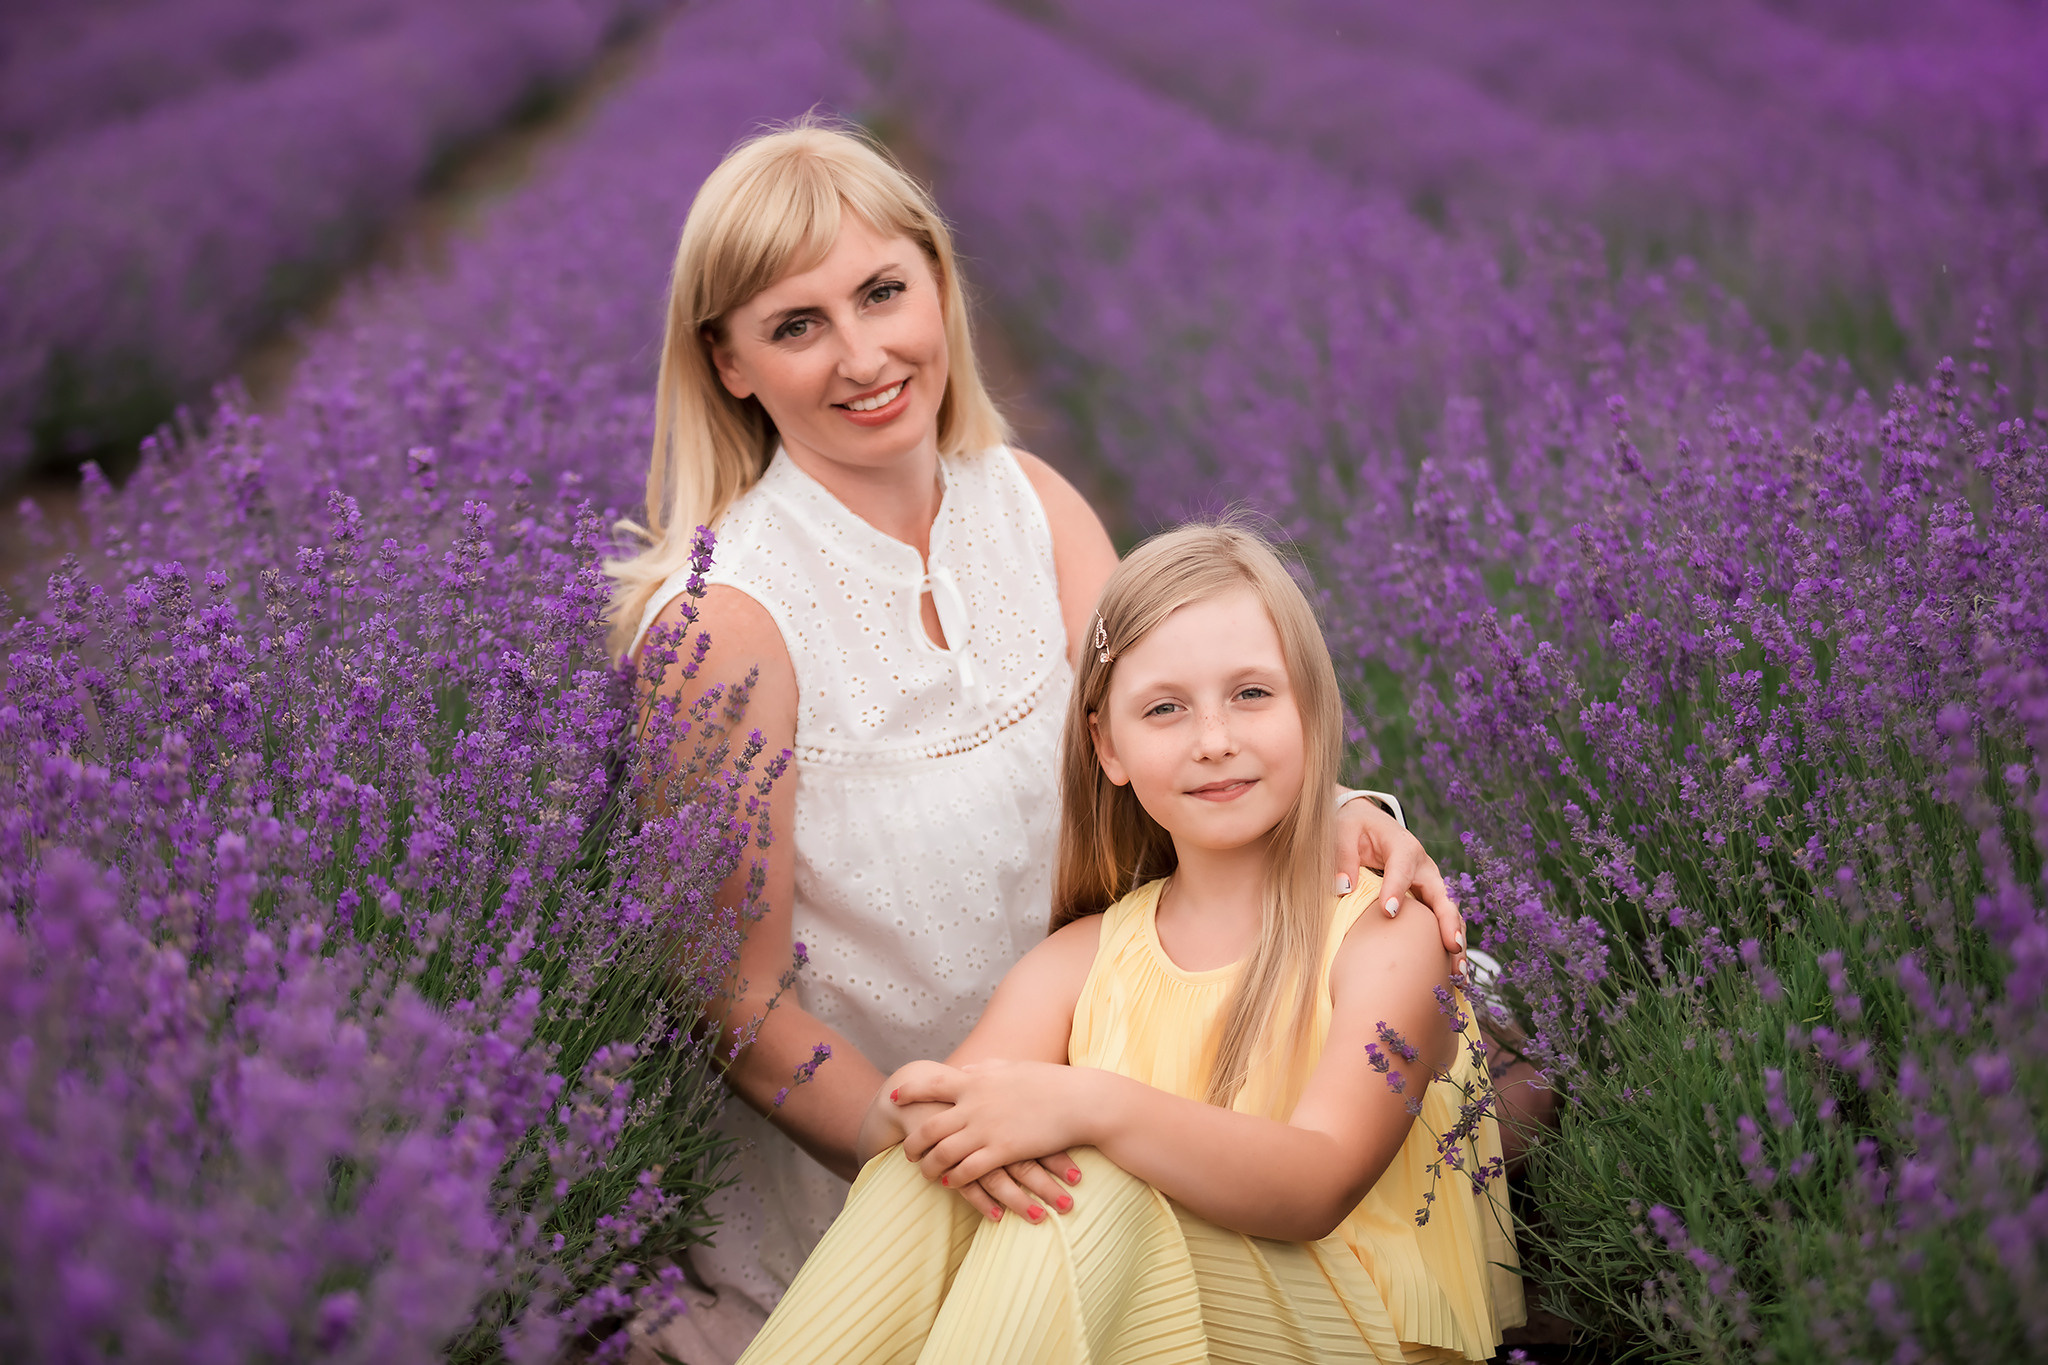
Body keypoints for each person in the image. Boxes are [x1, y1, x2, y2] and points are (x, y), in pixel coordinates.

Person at [605, 118, 1472, 1361]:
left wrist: (1337, 814)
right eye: (796, 325)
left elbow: (1166, 739)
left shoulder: (1033, 506)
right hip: (878, 1163)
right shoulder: (724, 625)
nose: (863, 355)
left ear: (938, 282)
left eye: (882, 292)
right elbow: (727, 997)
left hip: (1135, 1106)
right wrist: (917, 1144)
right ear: (728, 363)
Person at [733, 522, 1525, 1364]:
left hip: (1355, 1332)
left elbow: (1320, 1181)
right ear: (1108, 745)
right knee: (931, 1173)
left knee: (1084, 1186)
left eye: (1252, 693)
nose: (1213, 738)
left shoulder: (1386, 931)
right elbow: (951, 1127)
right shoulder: (1079, 960)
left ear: (1313, 709)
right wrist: (912, 1118)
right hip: (1154, 1330)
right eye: (1164, 708)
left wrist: (1095, 1105)